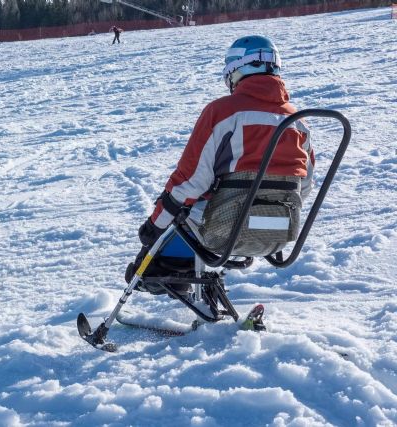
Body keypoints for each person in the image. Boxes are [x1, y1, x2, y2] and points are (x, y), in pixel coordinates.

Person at [125, 35, 315, 283]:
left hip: (226, 232)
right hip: (281, 232)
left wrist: (154, 227)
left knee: (181, 210)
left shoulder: (225, 112)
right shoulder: (298, 122)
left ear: (235, 69)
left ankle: (166, 277)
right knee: (204, 205)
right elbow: (305, 186)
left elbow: (191, 182)